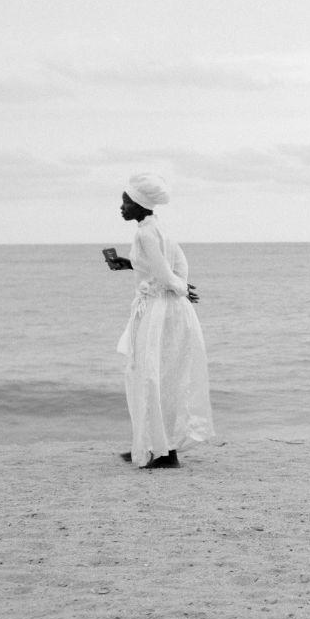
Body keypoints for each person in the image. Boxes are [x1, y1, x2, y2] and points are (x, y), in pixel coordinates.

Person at [107, 173, 214, 468]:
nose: (121, 207)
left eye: (126, 202)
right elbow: (176, 265)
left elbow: (166, 274)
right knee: (161, 376)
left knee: (152, 376)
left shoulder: (144, 234)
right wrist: (131, 265)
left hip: (159, 312)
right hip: (169, 309)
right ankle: (150, 443)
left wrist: (181, 288)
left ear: (140, 204)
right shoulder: (158, 229)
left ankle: (166, 453)